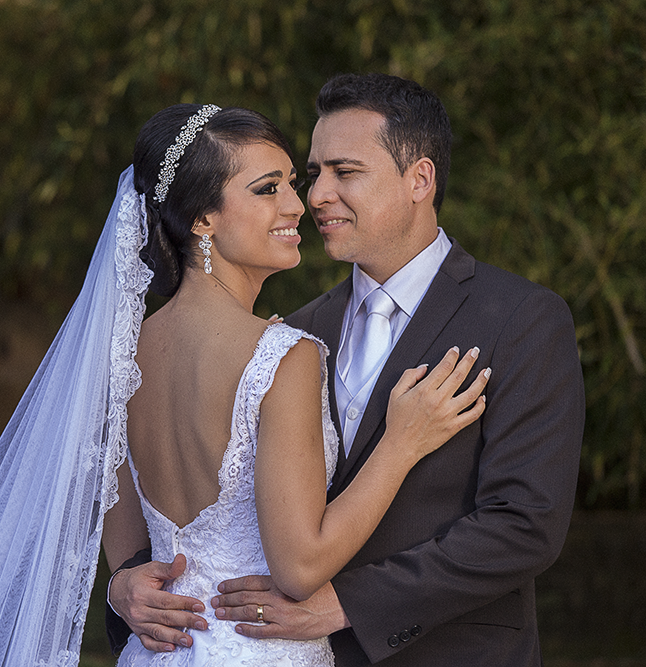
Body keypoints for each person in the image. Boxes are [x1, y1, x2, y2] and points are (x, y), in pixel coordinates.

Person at [0, 101, 486, 667]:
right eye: (267, 189)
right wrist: (402, 443)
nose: (299, 206)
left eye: (290, 185)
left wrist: (120, 586)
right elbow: (299, 567)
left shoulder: (120, 354)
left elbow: (131, 553)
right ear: (202, 219)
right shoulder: (284, 356)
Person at [107, 75, 585, 666]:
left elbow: (525, 525)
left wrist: (348, 604)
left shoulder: (520, 319)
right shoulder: (295, 334)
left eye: (345, 172)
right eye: (313, 175)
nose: (315, 197)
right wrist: (123, 585)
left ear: (420, 179)